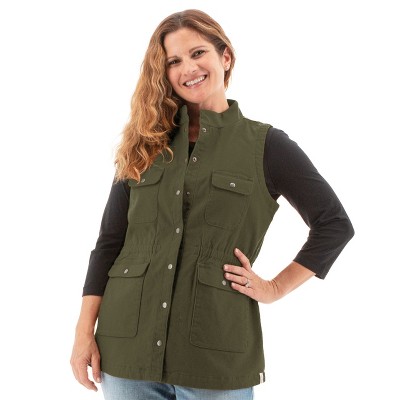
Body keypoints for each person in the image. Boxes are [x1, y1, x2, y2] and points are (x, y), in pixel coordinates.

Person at [70, 9, 354, 400]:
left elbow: (334, 224)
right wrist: (83, 334)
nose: (188, 68)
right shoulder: (144, 145)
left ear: (226, 57)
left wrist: (274, 288)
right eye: (173, 61)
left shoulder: (266, 146)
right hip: (125, 353)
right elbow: (108, 244)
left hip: (215, 356)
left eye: (198, 53)